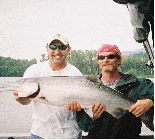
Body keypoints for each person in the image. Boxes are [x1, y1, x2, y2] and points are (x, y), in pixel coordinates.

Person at [68, 44, 154, 139]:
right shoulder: (86, 87)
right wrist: (93, 117)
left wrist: (150, 102)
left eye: (111, 56)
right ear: (98, 62)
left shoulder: (136, 84)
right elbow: (85, 127)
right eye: (101, 57)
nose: (106, 60)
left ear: (119, 60)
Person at [13, 34, 85, 139]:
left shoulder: (75, 74)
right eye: (53, 47)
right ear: (47, 48)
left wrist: (78, 108)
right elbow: (25, 101)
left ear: (69, 49)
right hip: (40, 133)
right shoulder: (34, 71)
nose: (57, 51)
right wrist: (21, 99)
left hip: (69, 134)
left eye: (62, 47)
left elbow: (83, 106)